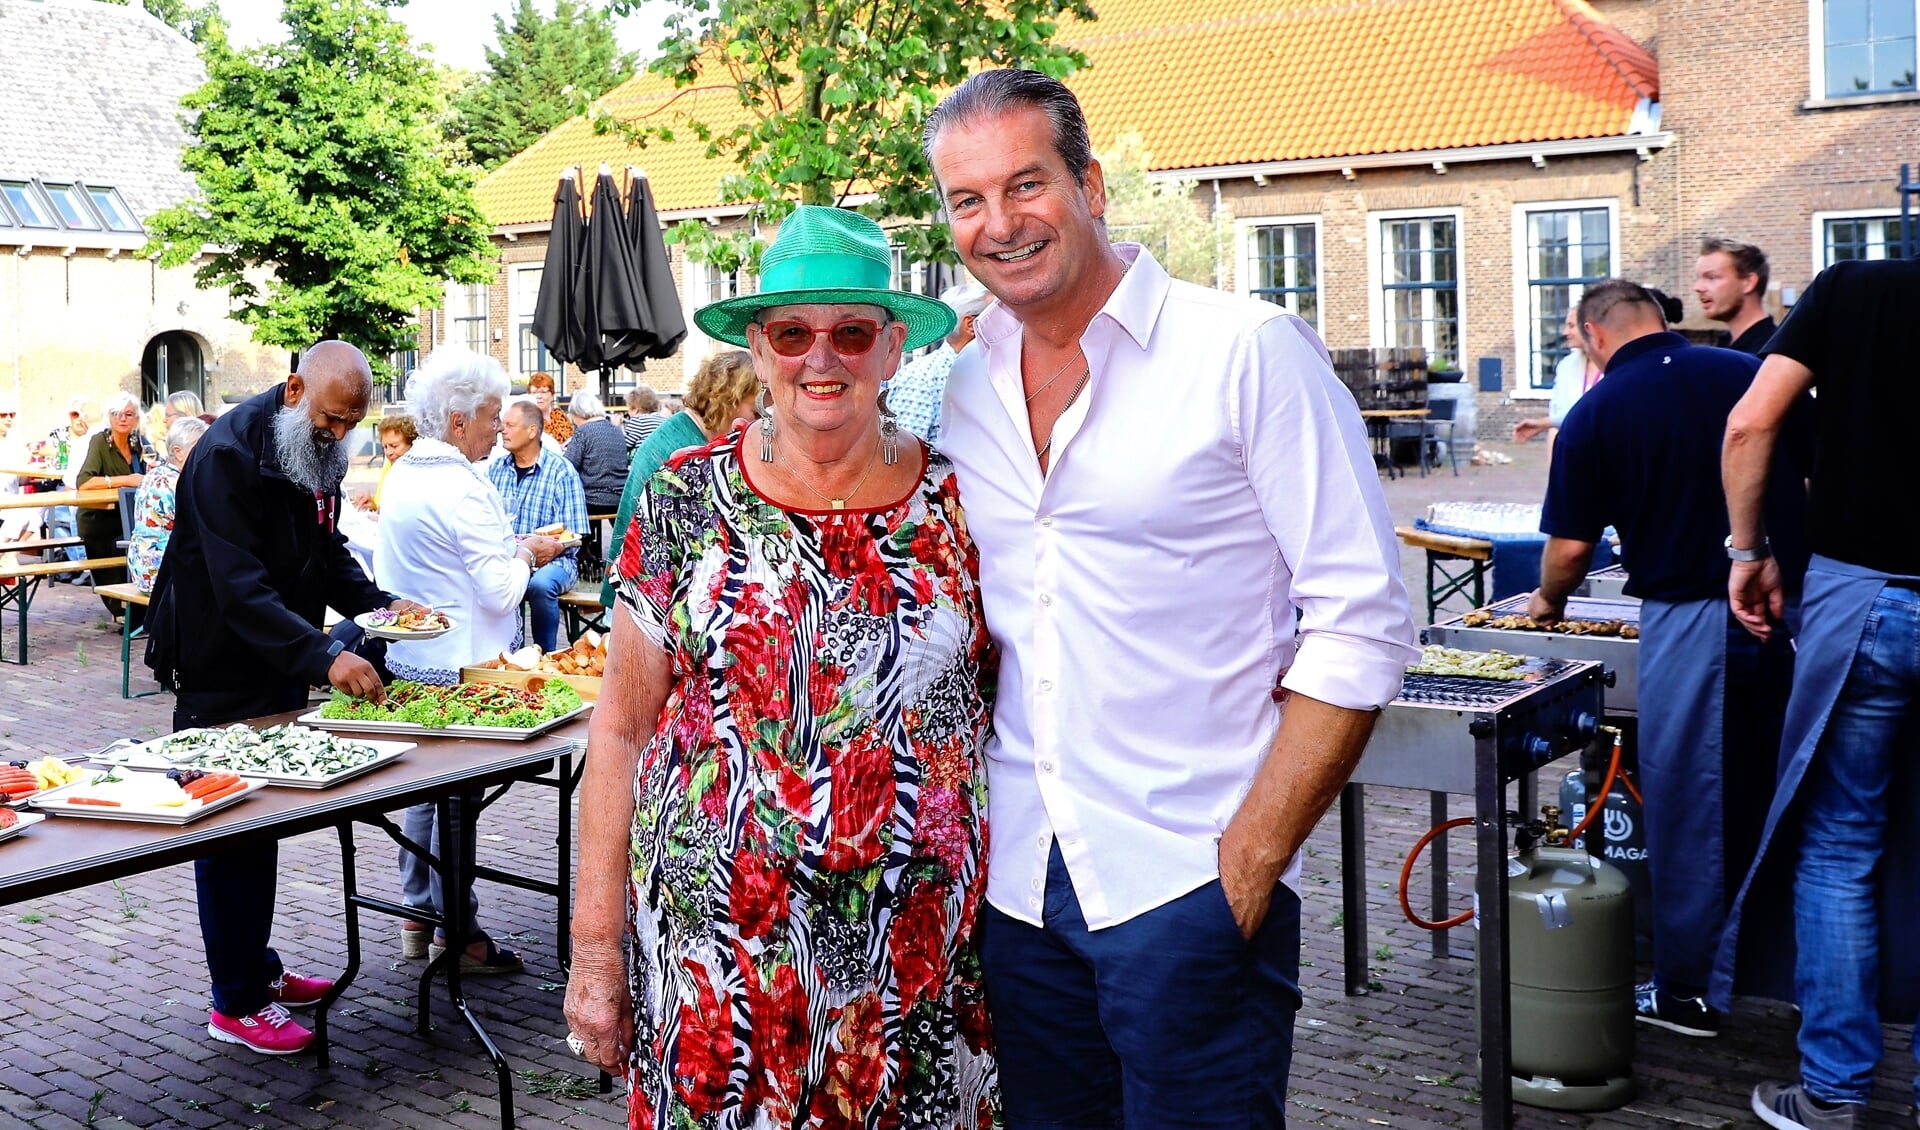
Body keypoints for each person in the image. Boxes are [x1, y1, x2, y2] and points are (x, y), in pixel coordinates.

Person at [924, 70, 1419, 1129]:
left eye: (1026, 185)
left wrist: (1245, 865)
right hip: (1019, 887)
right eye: (967, 200)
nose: (999, 223)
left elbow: (1363, 620)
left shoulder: (1243, 350)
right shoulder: (962, 384)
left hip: (1184, 877)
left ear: (1090, 183)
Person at [564, 205, 999, 1128]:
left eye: (851, 333)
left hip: (911, 964)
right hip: (714, 965)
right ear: (758, 351)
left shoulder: (966, 503)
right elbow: (622, 727)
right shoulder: (685, 503)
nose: (821, 357)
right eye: (793, 333)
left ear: (892, 351)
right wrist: (596, 951)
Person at [1525, 279, 1809, 1039]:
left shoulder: (1598, 412)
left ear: (1593, 334)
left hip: (1697, 617)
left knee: (1692, 807)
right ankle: (1795, 976)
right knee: (1790, 799)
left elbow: (1572, 549)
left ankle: (1689, 992)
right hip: (1797, 611)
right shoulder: (1744, 372)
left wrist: (1548, 605)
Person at [145, 340, 421, 1056]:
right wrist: (324, 655)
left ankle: (256, 969)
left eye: (348, 425)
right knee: (228, 826)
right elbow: (241, 588)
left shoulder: (306, 443)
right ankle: (233, 999)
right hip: (216, 659)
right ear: (295, 390)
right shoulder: (224, 457)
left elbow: (321, 552)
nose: (336, 436)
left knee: (259, 822)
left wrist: (380, 606)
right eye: (330, 420)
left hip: (271, 655)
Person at [1712, 256, 1920, 1130]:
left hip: (1864, 595)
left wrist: (1747, 550)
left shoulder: (1854, 290)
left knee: (1839, 847)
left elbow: (1750, 425)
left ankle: (1834, 1093)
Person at [378, 347, 563, 975]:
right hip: (467, 669)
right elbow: (500, 591)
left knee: (425, 796)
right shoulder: (463, 485)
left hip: (412, 659)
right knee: (458, 805)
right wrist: (530, 556)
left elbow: (437, 561)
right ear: (458, 422)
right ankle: (457, 928)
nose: (496, 427)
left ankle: (418, 910)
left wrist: (509, 549)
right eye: (489, 416)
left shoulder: (405, 473)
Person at [598, 350, 759, 608]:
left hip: (641, 593)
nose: (758, 424)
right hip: (643, 605)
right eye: (756, 413)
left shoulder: (684, 432)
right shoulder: (683, 449)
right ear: (729, 399)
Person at [488, 399, 587, 653]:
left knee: (540, 585)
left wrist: (545, 549)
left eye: (510, 425)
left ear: (532, 431)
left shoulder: (561, 471)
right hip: (509, 558)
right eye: (502, 423)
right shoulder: (495, 470)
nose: (501, 429)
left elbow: (576, 535)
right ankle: (506, 655)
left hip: (555, 561)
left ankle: (545, 654)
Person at [886, 281, 991, 443]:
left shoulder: (988, 369)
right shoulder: (921, 377)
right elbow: (900, 451)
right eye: (995, 316)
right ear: (971, 325)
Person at [75, 391, 150, 612]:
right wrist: (126, 480)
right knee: (118, 549)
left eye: (129, 414)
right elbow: (84, 481)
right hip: (99, 518)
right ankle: (123, 611)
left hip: (128, 517)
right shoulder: (100, 442)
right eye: (117, 414)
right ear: (109, 417)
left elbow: (151, 469)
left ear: (137, 419)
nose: (123, 419)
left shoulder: (139, 442)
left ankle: (140, 607)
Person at [127, 415, 208, 594]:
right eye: (200, 447)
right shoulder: (177, 482)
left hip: (141, 568)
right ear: (178, 451)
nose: (206, 453)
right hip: (163, 572)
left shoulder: (155, 474)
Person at [1513, 306, 1603, 446]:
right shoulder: (1566, 366)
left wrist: (1543, 423)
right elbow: (1560, 418)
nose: (1565, 332)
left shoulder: (1617, 366)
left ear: (1588, 328)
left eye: (1571, 326)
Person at [1695, 237, 1775, 355]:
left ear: (1748, 283)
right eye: (1698, 278)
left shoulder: (1775, 353)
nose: (1697, 287)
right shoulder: (1724, 346)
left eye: (1711, 277)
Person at [561, 389, 627, 514]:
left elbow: (568, 466)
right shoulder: (617, 430)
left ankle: (585, 534)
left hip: (592, 499)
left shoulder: (583, 432)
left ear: (577, 413)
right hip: (620, 498)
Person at [528, 372, 573, 445]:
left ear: (552, 395)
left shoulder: (560, 415)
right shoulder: (527, 420)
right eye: (534, 392)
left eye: (543, 392)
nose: (539, 396)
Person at [620, 386, 664, 450]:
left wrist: (618, 427)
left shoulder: (638, 421)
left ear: (635, 409)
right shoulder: (663, 419)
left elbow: (623, 445)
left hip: (645, 458)